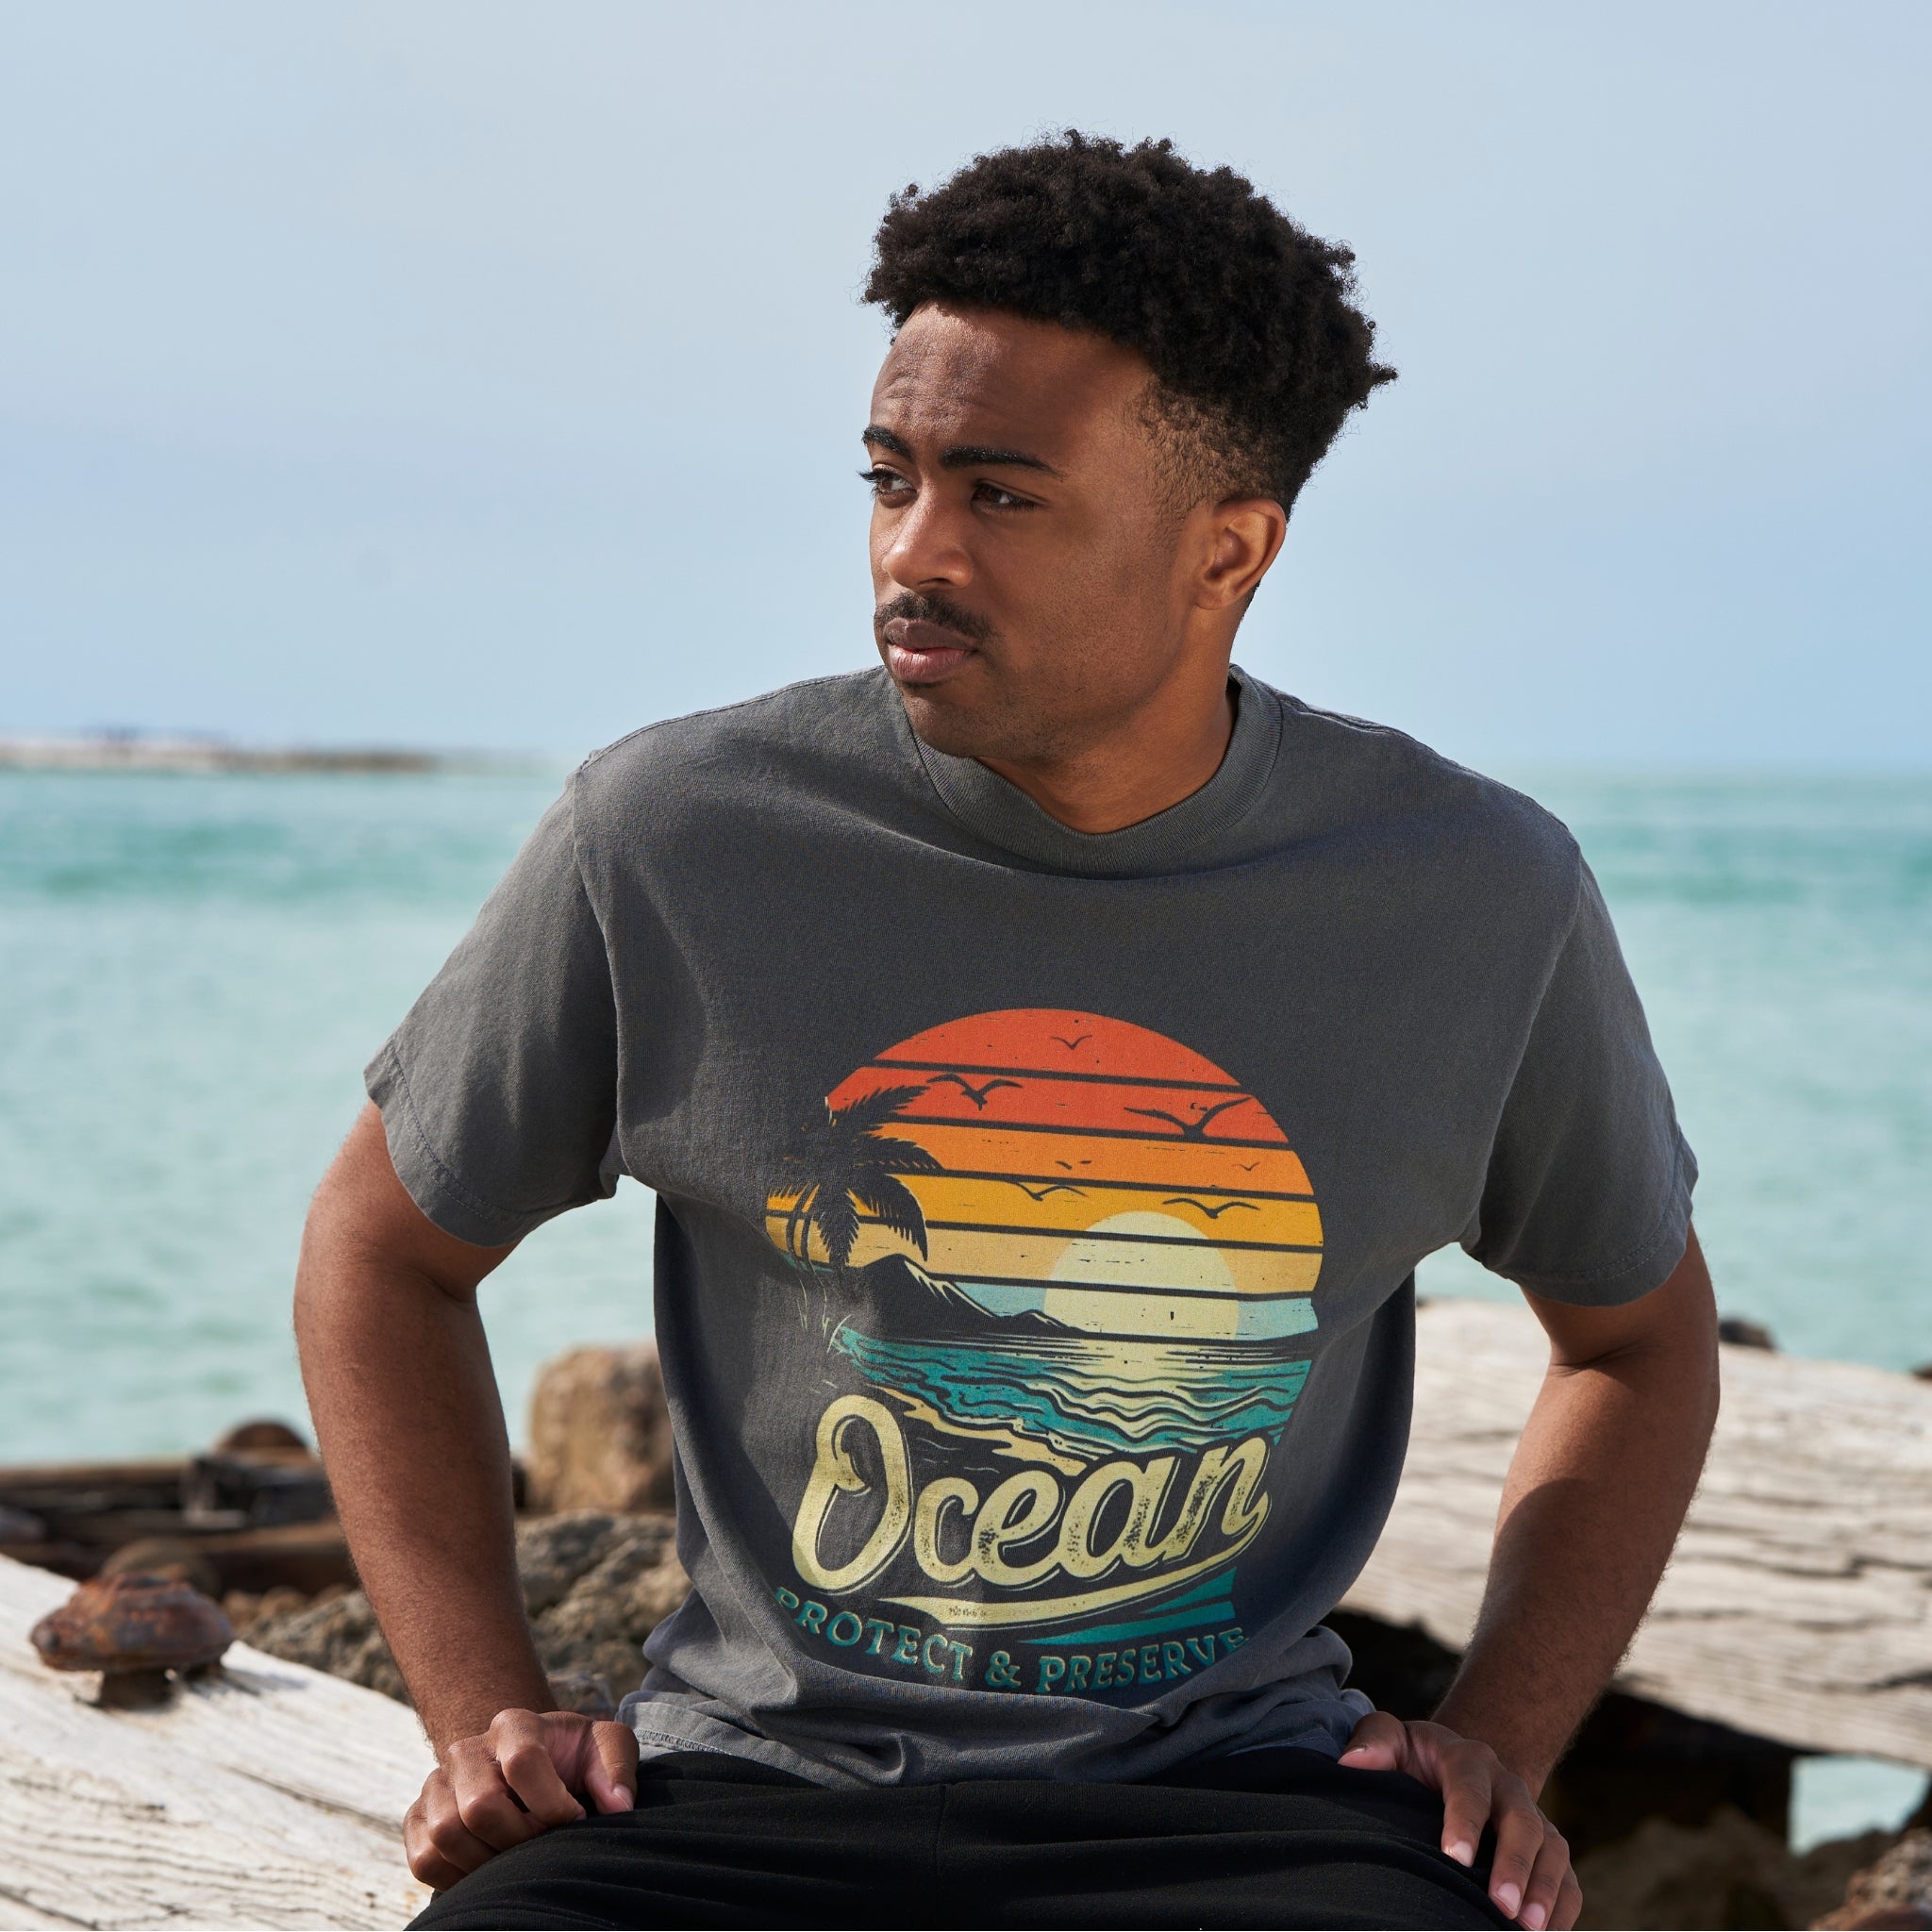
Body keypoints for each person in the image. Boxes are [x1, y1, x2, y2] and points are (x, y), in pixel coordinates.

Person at [294, 132, 1719, 1931]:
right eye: (889, 478)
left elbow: (1637, 1343)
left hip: (1252, 1815)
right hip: (741, 1798)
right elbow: (382, 1250)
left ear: (1232, 550)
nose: (914, 553)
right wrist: (484, 1713)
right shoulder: (674, 834)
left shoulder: (1473, 894)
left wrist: (1502, 1736)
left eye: (1002, 495)